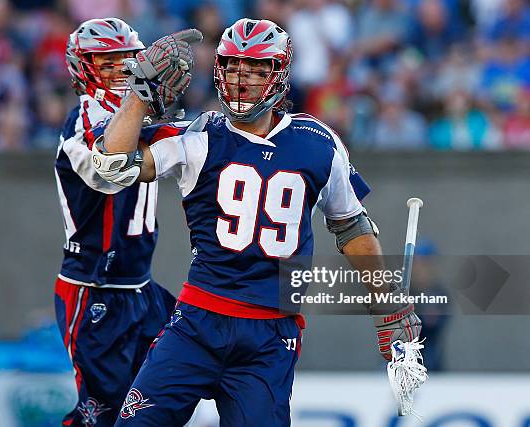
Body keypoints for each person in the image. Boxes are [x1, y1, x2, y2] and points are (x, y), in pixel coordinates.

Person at [92, 19, 421, 426]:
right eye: (232, 66)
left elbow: (351, 225)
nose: (241, 79)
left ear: (280, 74)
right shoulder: (199, 135)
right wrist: (140, 94)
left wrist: (386, 303)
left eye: (255, 68)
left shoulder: (318, 141)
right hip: (197, 321)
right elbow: (112, 165)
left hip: (269, 336)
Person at [54, 18, 177, 427]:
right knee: (100, 416)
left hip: (141, 288)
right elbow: (111, 164)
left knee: (164, 399)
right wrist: (144, 102)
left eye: (126, 63)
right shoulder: (84, 117)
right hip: (95, 290)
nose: (120, 73)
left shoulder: (138, 113)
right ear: (83, 68)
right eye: (107, 64)